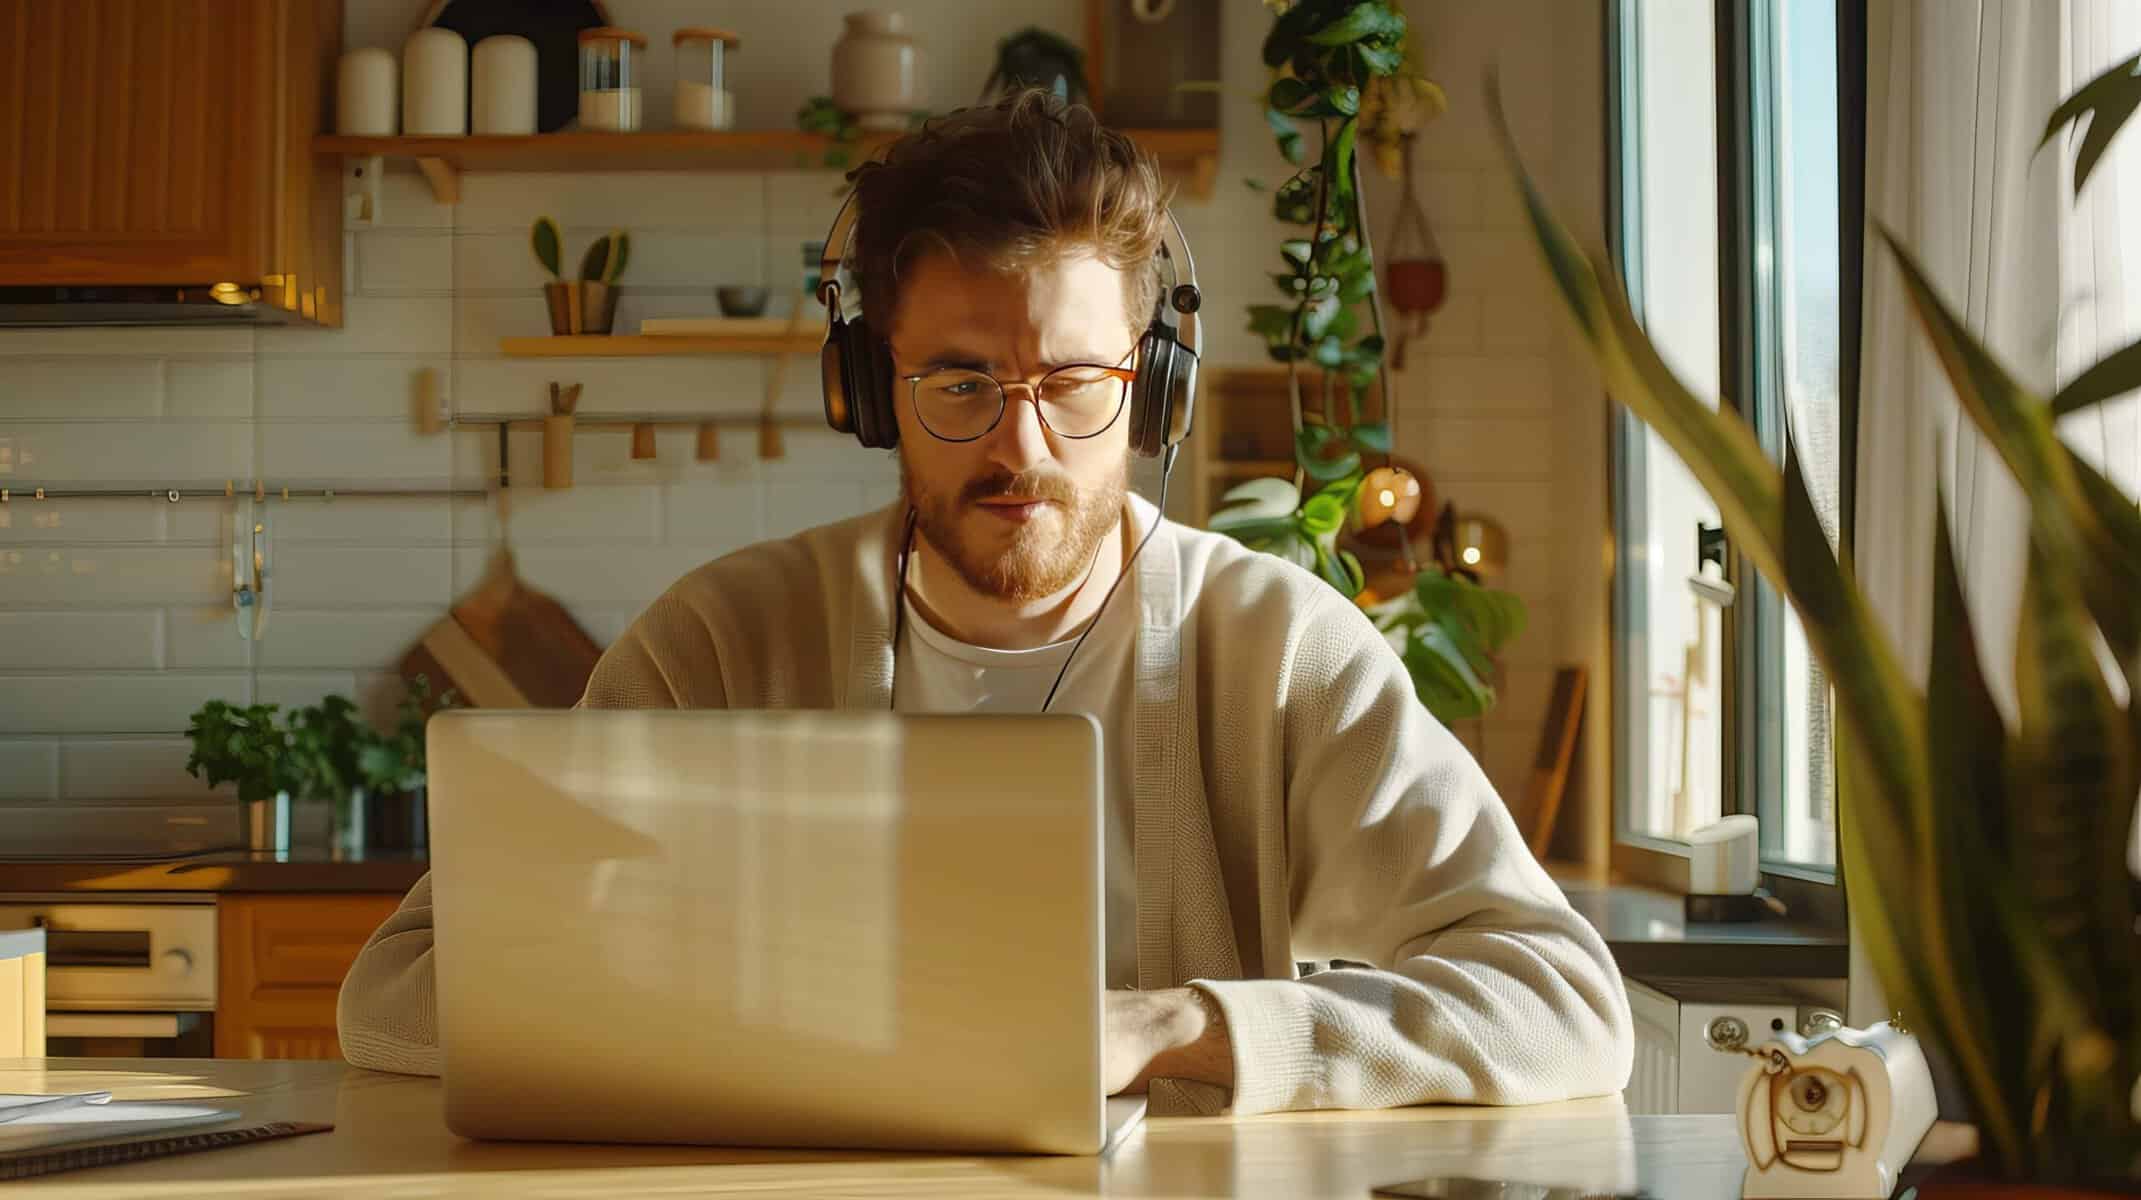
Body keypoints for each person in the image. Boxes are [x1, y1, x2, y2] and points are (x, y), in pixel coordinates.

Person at [338, 91, 1632, 1117]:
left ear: (1153, 386)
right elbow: (397, 993)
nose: (1022, 445)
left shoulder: (1277, 650)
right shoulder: (719, 638)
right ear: (868, 386)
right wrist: (718, 1000)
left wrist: (1175, 1025)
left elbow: (1562, 1001)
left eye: (1074, 382)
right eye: (957, 383)